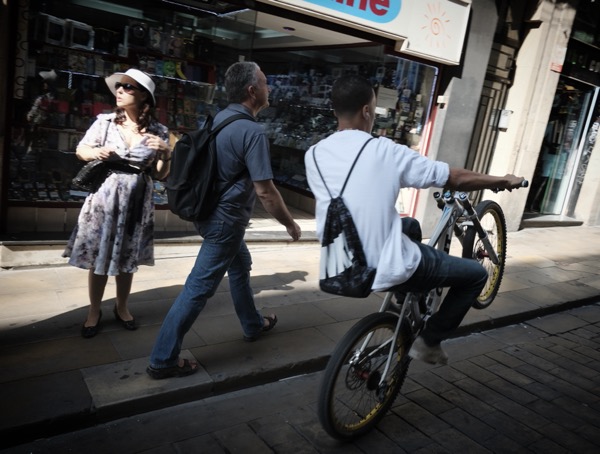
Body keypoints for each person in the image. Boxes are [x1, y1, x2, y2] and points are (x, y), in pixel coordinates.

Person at [305, 75, 525, 365]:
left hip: (340, 259)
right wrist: (500, 180)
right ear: (367, 111)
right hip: (386, 263)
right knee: (476, 275)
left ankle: (406, 298)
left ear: (335, 111)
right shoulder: (384, 150)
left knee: (411, 227)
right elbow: (453, 177)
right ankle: (429, 341)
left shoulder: (314, 154)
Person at [146, 61, 302, 379]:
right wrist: (289, 222)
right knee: (198, 288)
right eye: (265, 81)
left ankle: (253, 323)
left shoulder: (220, 118)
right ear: (251, 90)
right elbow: (266, 192)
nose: (269, 87)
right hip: (225, 223)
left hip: (207, 214)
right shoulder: (251, 131)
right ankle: (162, 359)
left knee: (240, 265)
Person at [63, 68, 172, 338]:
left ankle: (122, 307)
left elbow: (159, 174)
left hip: (137, 201)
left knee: (127, 256)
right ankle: (94, 309)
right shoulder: (106, 122)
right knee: (99, 255)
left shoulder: (159, 131)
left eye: (128, 87)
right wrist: (95, 152)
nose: (120, 90)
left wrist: (167, 154)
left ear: (145, 96)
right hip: (105, 197)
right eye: (119, 86)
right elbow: (81, 150)